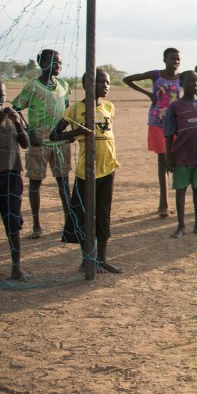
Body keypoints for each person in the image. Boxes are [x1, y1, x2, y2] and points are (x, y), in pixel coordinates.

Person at [50, 69, 122, 273]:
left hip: (108, 168)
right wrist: (77, 132)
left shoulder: (109, 107)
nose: (105, 86)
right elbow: (55, 135)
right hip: (87, 172)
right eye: (100, 82)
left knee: (103, 213)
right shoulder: (75, 110)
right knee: (84, 215)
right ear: (87, 85)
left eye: (107, 82)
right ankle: (87, 258)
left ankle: (102, 259)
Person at [12, 49, 72, 240]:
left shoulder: (63, 85)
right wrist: (28, 131)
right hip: (39, 143)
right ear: (42, 64)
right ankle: (37, 225)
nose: (58, 66)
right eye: (54, 62)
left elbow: (68, 111)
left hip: (60, 142)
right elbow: (15, 110)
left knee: (63, 182)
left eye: (60, 62)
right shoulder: (33, 87)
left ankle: (69, 222)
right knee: (35, 183)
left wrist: (68, 132)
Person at [123, 47, 181, 218]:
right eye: (172, 59)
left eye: (178, 59)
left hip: (176, 122)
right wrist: (148, 93)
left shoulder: (181, 77)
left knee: (176, 160)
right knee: (163, 160)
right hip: (157, 122)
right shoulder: (156, 75)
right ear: (164, 60)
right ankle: (163, 202)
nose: (175, 62)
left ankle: (177, 199)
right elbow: (128, 79)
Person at [0, 77, 30, 281]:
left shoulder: (13, 117)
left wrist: (18, 123)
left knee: (13, 222)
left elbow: (26, 143)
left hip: (12, 176)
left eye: (0, 95)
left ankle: (16, 267)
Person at [164, 71, 197, 238]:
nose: (195, 84)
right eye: (191, 81)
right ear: (182, 83)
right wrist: (168, 156)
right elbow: (169, 133)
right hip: (181, 155)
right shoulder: (175, 106)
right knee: (181, 189)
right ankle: (180, 226)